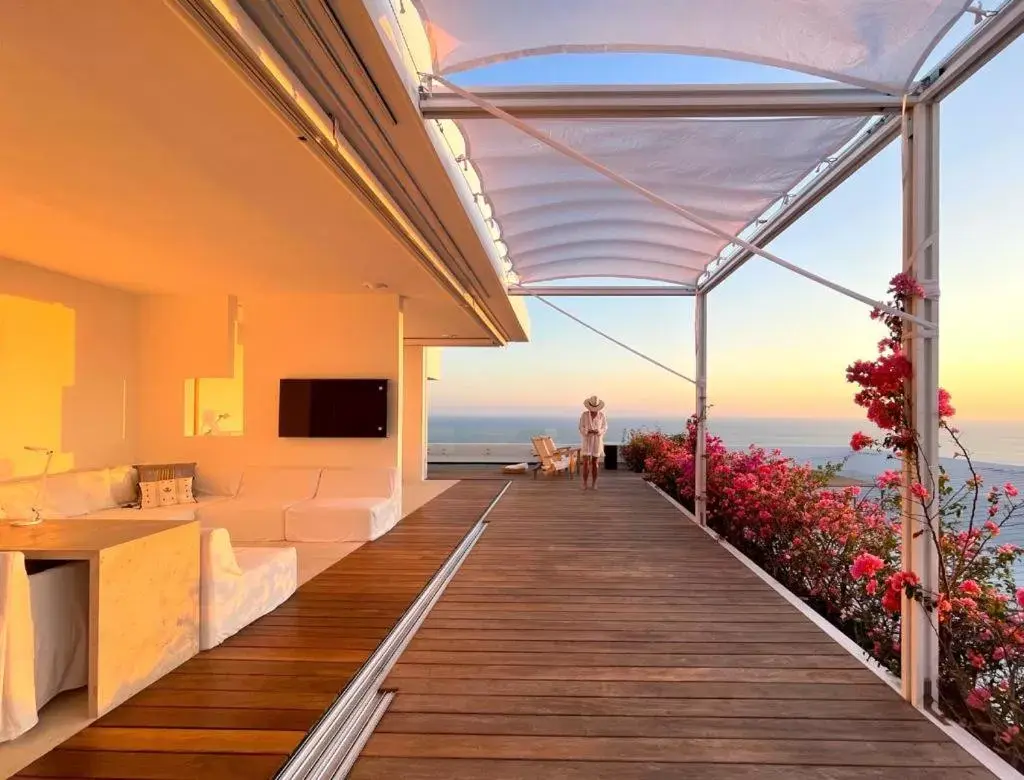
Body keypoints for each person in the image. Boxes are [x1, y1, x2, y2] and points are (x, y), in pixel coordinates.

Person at [578, 396, 608, 490]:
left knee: (595, 463)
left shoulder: (602, 416)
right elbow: (581, 427)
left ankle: (594, 483)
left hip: (597, 441)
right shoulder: (584, 415)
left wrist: (598, 431)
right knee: (586, 463)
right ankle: (584, 483)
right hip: (587, 440)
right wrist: (588, 431)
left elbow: (605, 427)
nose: (593, 410)